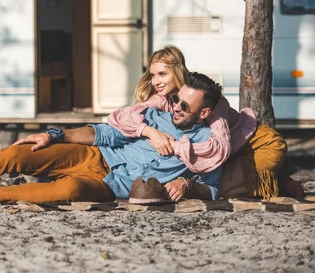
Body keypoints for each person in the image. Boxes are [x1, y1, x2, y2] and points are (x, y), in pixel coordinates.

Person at [0, 72, 222, 207]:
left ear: (204, 113)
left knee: (70, 191)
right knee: (20, 152)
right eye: (177, 99)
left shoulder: (208, 145)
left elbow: (213, 185)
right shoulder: (157, 113)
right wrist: (55, 134)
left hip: (113, 186)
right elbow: (106, 131)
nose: (176, 107)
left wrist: (189, 185)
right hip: (96, 156)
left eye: (185, 105)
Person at [109, 46, 294, 199]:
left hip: (262, 143)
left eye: (162, 74)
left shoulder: (209, 102)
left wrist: (174, 147)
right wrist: (150, 132)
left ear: (177, 72)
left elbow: (220, 148)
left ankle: (279, 180)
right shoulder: (163, 99)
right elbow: (122, 117)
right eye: (153, 75)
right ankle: (282, 179)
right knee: (217, 178)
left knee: (222, 189)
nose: (155, 81)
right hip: (232, 151)